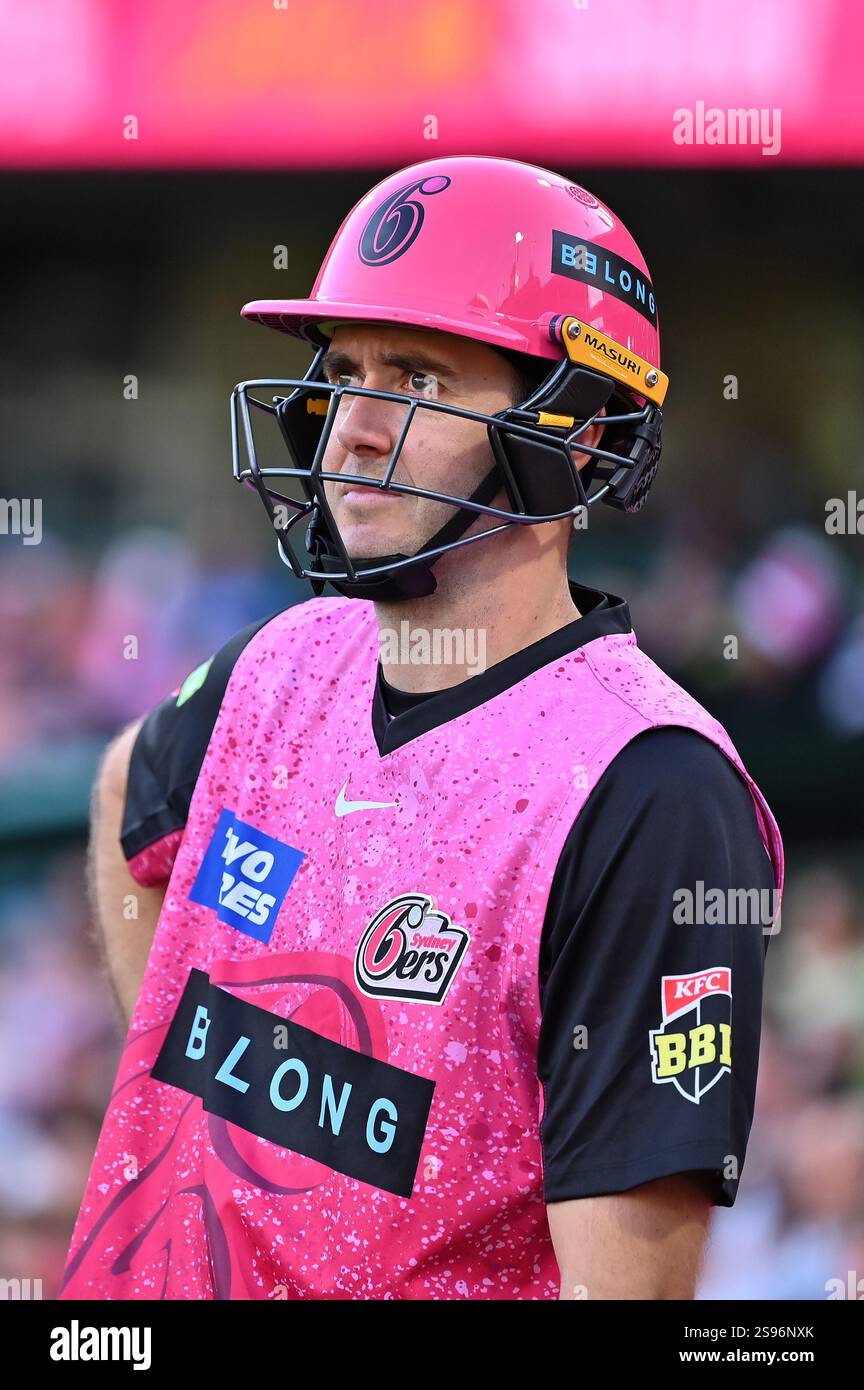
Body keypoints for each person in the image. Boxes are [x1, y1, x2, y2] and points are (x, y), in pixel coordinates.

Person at [60, 155, 784, 1301]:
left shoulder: (650, 786)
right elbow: (120, 795)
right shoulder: (284, 656)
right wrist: (172, 1082)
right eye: (343, 371)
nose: (349, 428)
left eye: (417, 379)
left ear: (579, 437)